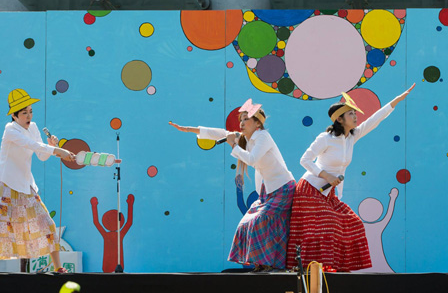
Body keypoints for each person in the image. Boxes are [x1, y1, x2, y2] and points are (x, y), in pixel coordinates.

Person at [286, 84, 415, 272]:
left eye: (355, 113)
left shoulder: (351, 137)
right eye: (351, 114)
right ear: (339, 119)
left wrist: (396, 101)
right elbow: (304, 160)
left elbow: (374, 120)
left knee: (352, 223)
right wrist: (327, 176)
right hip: (310, 190)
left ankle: (335, 268)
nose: (355, 117)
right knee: (325, 228)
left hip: (328, 193)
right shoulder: (326, 138)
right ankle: (312, 269)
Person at [170, 98, 296, 272]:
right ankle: (260, 263)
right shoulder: (247, 138)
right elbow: (220, 133)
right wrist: (189, 129)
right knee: (246, 222)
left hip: (282, 188)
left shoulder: (263, 137)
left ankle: (270, 264)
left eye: (246, 119)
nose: (242, 123)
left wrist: (233, 145)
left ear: (257, 123)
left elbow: (252, 160)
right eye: (241, 120)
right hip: (267, 191)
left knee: (260, 221)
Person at [0, 88, 76, 273]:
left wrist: (52, 146)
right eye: (24, 113)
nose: (28, 116)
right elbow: (32, 144)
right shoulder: (10, 130)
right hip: (6, 184)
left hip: (25, 185)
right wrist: (57, 151)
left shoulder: (34, 127)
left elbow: (41, 155)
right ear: (14, 116)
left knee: (47, 223)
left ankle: (58, 267)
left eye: (30, 111)